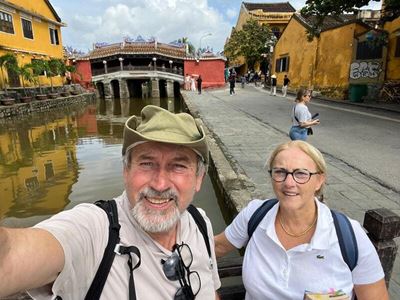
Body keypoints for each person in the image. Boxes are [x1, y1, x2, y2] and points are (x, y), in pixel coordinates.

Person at [0, 106, 221, 299]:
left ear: (199, 178)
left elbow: (210, 291)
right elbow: (11, 256)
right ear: (126, 171)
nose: (160, 184)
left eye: (179, 166)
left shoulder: (199, 222)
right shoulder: (97, 230)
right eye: (146, 163)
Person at [215, 140, 388, 300]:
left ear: (319, 180)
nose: (289, 182)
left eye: (301, 174)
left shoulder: (349, 237)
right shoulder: (255, 215)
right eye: (280, 172)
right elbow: (217, 246)